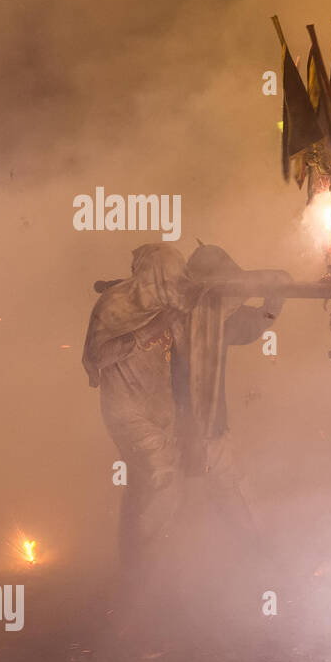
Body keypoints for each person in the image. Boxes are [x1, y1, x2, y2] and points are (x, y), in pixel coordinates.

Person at [82, 244, 195, 572]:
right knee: (163, 475)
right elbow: (96, 358)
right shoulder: (114, 304)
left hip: (161, 411)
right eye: (170, 276)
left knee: (142, 489)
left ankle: (135, 564)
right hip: (126, 412)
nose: (176, 283)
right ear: (155, 275)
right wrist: (151, 329)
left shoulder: (169, 305)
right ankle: (153, 566)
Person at [176, 244, 289, 555]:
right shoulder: (217, 317)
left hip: (167, 423)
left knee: (187, 491)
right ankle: (255, 551)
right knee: (227, 485)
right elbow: (260, 319)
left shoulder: (166, 308)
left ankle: (188, 561)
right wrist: (277, 295)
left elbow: (253, 321)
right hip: (203, 423)